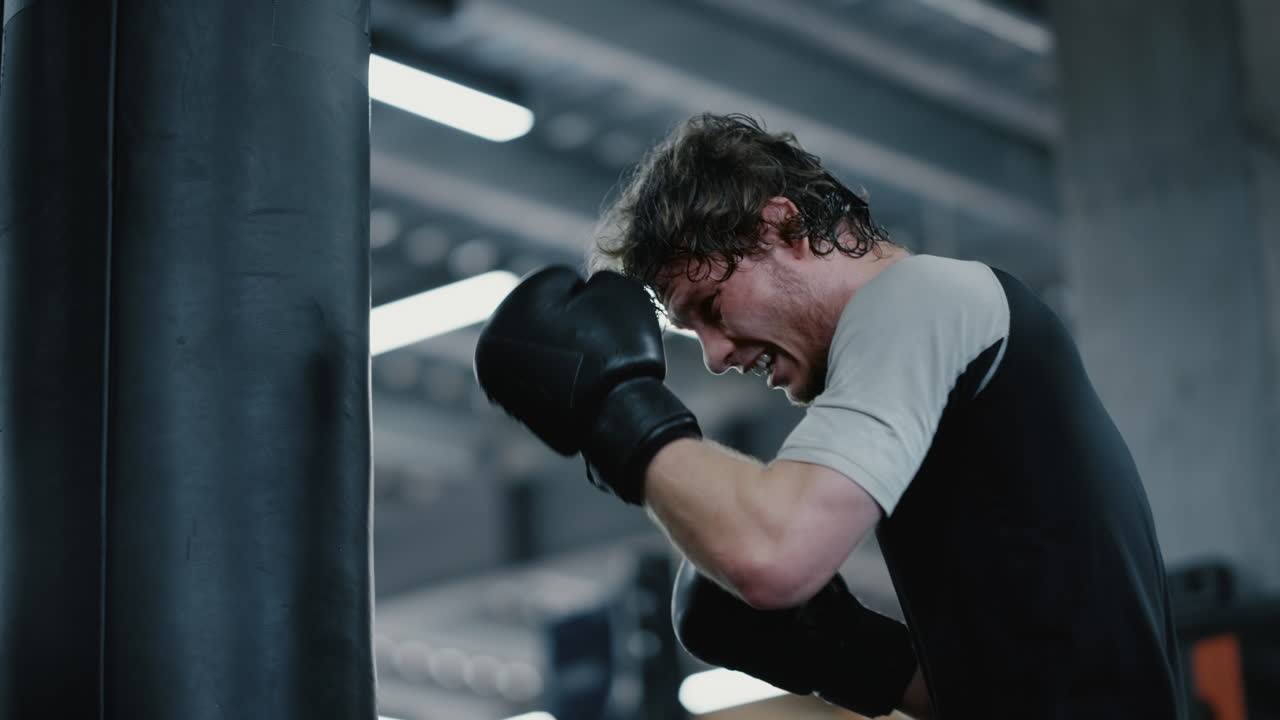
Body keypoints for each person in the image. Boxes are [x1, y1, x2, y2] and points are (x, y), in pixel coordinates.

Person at [474, 113, 1187, 718]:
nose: (717, 358)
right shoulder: (938, 369)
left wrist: (613, 404)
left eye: (713, 311)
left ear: (782, 227)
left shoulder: (917, 299)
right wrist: (851, 651)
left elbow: (770, 555)